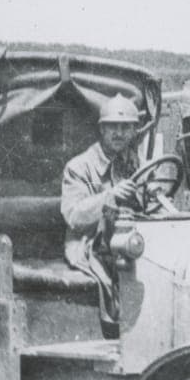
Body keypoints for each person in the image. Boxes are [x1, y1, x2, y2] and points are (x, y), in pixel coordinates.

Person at [60, 94, 144, 338]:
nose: (119, 133)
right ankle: (116, 333)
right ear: (101, 130)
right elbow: (74, 216)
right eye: (112, 127)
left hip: (130, 242)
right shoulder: (79, 167)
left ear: (134, 131)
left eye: (126, 127)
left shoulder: (136, 165)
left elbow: (152, 199)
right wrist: (111, 196)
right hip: (91, 246)